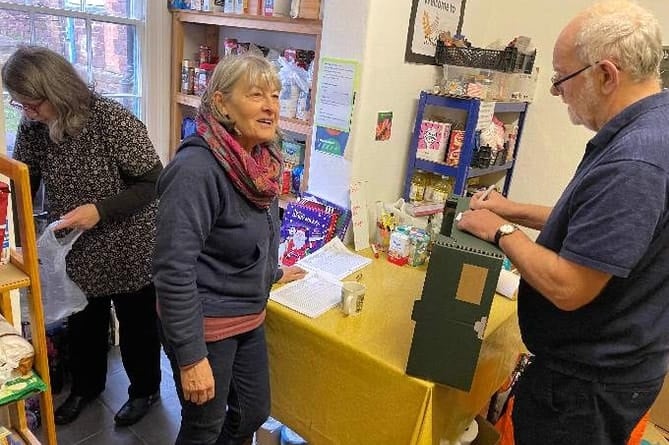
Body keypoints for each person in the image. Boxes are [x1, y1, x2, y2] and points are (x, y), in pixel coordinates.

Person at [456, 1, 669, 444]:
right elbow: (599, 227)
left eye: (562, 78)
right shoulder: (652, 125)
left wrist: (500, 231)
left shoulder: (635, 160)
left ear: (607, 75)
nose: (557, 92)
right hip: (615, 366)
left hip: (587, 386)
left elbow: (571, 287)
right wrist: (511, 209)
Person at [2, 46, 163, 426]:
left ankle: (145, 391)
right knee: (84, 322)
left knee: (137, 323)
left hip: (129, 241)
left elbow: (155, 181)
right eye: (20, 104)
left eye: (32, 104)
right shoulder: (34, 126)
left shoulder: (111, 120)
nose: (27, 112)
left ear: (56, 90)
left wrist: (100, 210)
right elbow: (26, 179)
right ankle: (86, 388)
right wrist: (21, 234)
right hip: (75, 244)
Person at [153, 53, 306, 445]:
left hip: (247, 312)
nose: (271, 105)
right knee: (204, 425)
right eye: (256, 95)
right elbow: (173, 270)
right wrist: (191, 356)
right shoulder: (195, 170)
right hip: (205, 322)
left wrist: (271, 271)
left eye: (274, 94)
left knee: (252, 412)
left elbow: (257, 234)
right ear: (221, 103)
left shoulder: (261, 164)